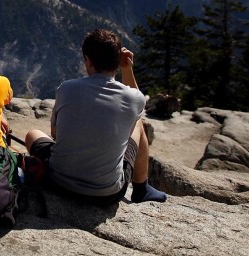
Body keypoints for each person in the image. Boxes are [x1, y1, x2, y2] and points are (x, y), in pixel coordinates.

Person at [25, 29, 167, 205]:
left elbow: (55, 134)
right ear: (117, 61)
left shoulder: (66, 88)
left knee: (32, 134)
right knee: (138, 123)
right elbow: (136, 103)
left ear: (88, 60)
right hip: (106, 194)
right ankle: (141, 189)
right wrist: (127, 69)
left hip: (58, 183)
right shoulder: (133, 98)